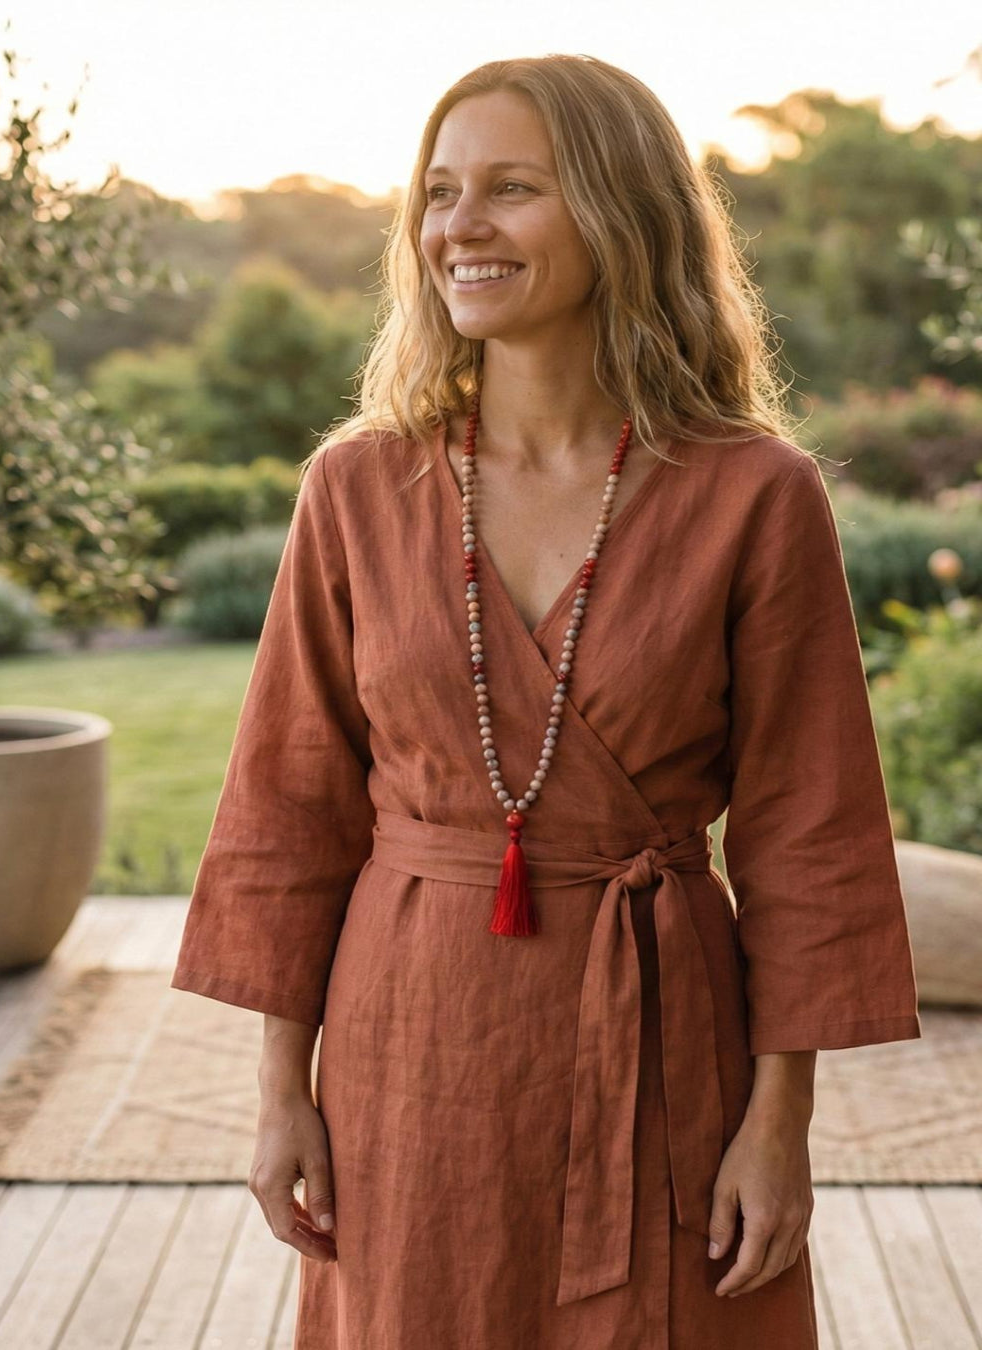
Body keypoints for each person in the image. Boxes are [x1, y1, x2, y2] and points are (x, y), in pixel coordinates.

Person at [170, 53, 921, 1350]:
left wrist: (780, 1122)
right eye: (441, 191)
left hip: (666, 1038)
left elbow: (813, 828)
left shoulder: (754, 493)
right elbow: (289, 806)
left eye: (512, 188)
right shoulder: (358, 489)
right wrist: (278, 1091)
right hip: (412, 1045)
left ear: (620, 211)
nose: (459, 225)